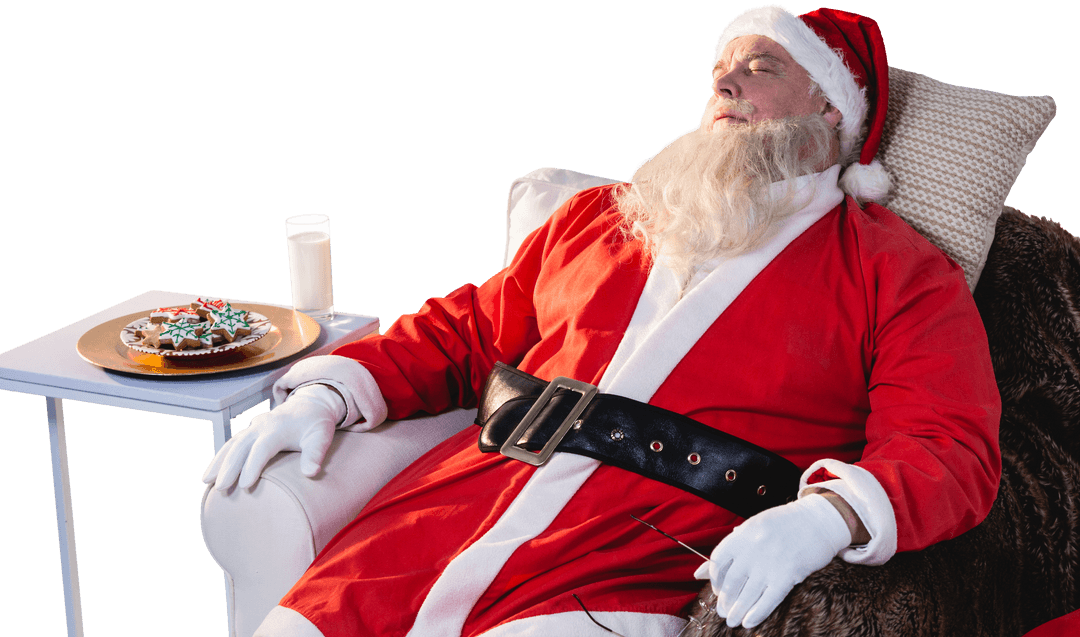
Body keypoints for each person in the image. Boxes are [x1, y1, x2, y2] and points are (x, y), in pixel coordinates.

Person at [201, 5, 1002, 635]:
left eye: (759, 70)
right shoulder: (604, 216)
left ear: (832, 111)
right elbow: (470, 329)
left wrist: (829, 519)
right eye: (718, 72)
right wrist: (331, 393)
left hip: (633, 554)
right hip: (456, 510)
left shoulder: (894, 269)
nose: (725, 86)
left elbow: (949, 447)